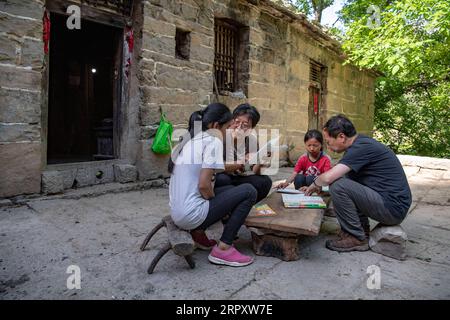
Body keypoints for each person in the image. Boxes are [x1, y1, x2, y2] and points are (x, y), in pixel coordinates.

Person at [304, 115, 412, 252]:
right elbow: (346, 180)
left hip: (393, 208)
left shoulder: (361, 148)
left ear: (341, 137)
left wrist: (315, 183)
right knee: (343, 182)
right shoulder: (358, 146)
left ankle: (356, 237)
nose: (328, 145)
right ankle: (361, 230)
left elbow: (328, 178)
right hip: (390, 204)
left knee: (338, 185)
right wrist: (324, 191)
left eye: (328, 141)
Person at [168, 103, 257, 267]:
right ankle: (223, 248)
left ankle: (198, 232)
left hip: (177, 212)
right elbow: (203, 185)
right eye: (228, 126)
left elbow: (211, 174)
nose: (228, 131)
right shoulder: (213, 141)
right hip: (190, 215)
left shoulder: (192, 138)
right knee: (249, 191)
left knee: (230, 189)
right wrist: (215, 202)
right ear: (216, 126)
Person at [215, 103, 273, 203]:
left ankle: (245, 206)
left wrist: (261, 161)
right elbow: (214, 166)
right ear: (231, 120)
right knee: (223, 179)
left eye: (245, 125)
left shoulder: (251, 141)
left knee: (265, 182)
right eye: (237, 122)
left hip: (237, 178)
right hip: (220, 178)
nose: (239, 127)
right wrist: (241, 162)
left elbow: (256, 171)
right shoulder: (221, 136)